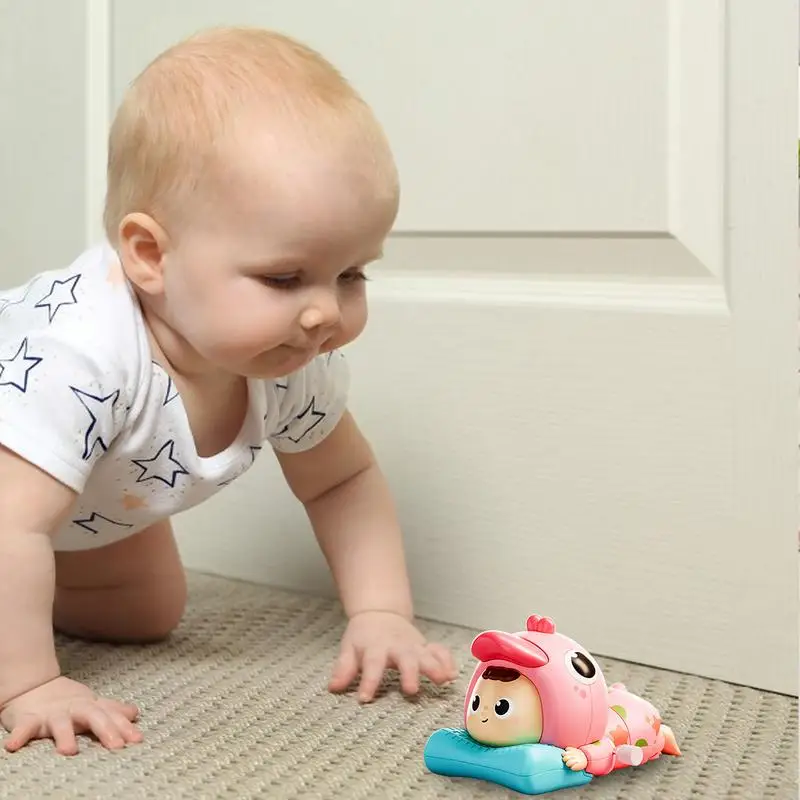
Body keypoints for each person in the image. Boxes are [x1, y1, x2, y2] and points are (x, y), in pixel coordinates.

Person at [0, 26, 457, 756]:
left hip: (85, 508)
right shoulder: (78, 361)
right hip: (9, 499)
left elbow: (342, 480)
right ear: (150, 254)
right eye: (284, 278)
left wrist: (382, 611)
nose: (325, 313)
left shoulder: (289, 356)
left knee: (148, 612)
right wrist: (28, 685)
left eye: (352, 274)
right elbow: (9, 523)